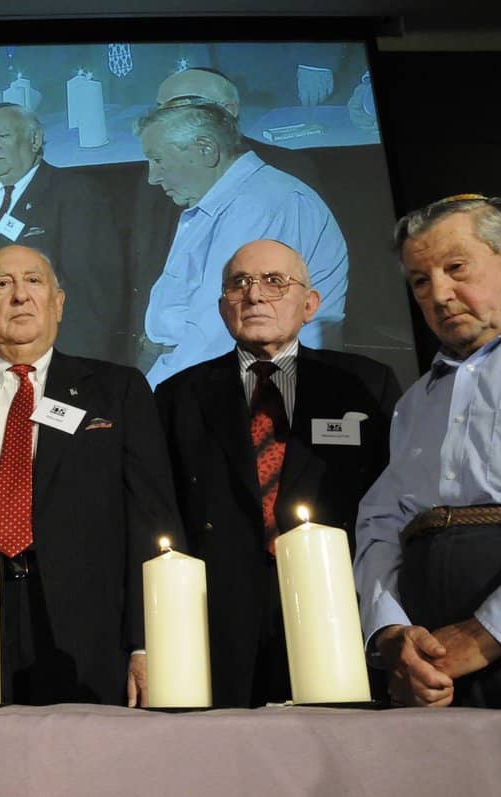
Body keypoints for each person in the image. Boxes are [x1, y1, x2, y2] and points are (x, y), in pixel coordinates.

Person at [0, 244, 179, 706]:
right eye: (2, 284)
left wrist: (148, 644)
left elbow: (151, 522)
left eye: (34, 281)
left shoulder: (117, 391)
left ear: (58, 303)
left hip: (90, 643)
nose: (20, 295)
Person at [354, 195, 501, 724]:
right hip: (432, 666)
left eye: (456, 268)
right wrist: (392, 636)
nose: (439, 294)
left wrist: (491, 633)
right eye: (419, 281)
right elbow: (382, 521)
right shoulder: (416, 402)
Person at [155, 239, 399, 707]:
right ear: (223, 307)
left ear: (310, 305)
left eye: (274, 282)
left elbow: (394, 498)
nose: (254, 295)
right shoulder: (177, 397)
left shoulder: (366, 385)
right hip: (217, 621)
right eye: (238, 283)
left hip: (339, 610)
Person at [135, 99, 348, 389]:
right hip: (198, 373)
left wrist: (150, 399)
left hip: (235, 383)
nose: (152, 177)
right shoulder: (233, 201)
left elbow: (218, 332)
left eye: (158, 160)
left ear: (206, 149)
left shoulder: (263, 204)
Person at [0, 103, 125, 371]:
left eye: (2, 137)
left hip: (38, 358)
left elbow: (90, 294)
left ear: (35, 139)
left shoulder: (75, 194)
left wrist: (75, 369)